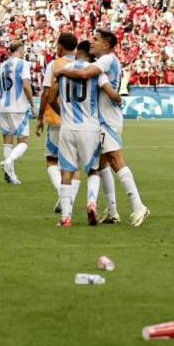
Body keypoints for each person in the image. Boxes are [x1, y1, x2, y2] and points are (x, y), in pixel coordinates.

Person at [57, 30, 148, 227]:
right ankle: (113, 211)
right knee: (102, 166)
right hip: (101, 121)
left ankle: (138, 205)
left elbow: (85, 74)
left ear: (106, 45)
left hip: (108, 121)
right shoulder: (105, 62)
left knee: (116, 162)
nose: (91, 42)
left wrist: (62, 71)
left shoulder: (106, 60)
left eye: (96, 40)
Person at [49, 41, 114, 227]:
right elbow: (109, 93)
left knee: (67, 172)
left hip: (67, 128)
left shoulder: (64, 70)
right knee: (93, 170)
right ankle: (91, 202)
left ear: (78, 51)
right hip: (89, 128)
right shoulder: (95, 71)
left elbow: (51, 98)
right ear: (91, 54)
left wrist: (63, 113)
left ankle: (66, 218)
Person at [0, 41, 36, 185]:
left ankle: (9, 175)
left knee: (7, 141)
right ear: (20, 49)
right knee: (23, 142)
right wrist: (32, 105)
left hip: (3, 107)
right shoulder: (23, 64)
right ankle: (8, 162)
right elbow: (26, 85)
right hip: (19, 107)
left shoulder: (1, 66)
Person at [37, 33, 78, 212]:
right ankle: (68, 199)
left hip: (57, 118)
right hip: (78, 120)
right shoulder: (84, 64)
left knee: (52, 159)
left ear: (60, 46)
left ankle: (64, 197)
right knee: (73, 163)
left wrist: (39, 117)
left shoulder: (55, 65)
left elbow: (47, 93)